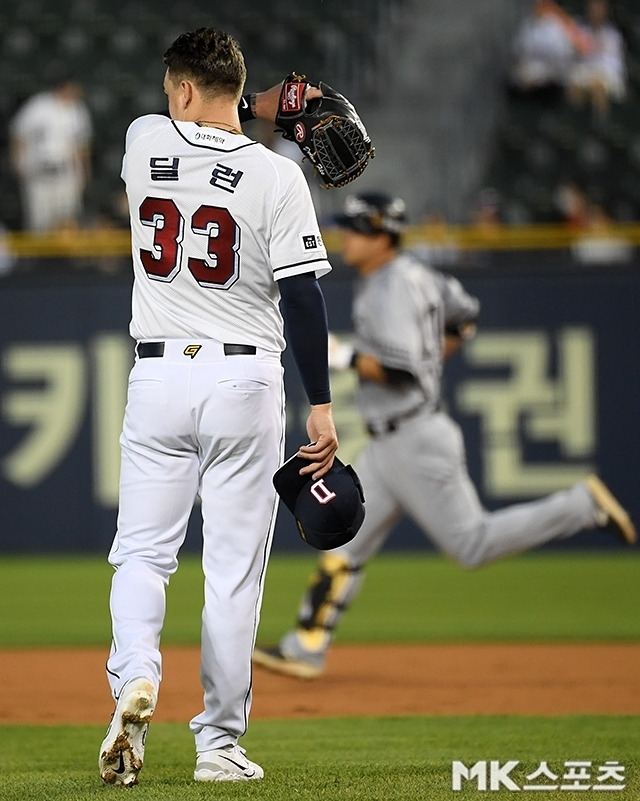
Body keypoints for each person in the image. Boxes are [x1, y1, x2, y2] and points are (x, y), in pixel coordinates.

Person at [252, 191, 637, 680]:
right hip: (393, 439)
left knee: (472, 544)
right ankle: (305, 646)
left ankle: (581, 505)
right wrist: (432, 359)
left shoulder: (390, 287)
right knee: (347, 540)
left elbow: (399, 370)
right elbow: (465, 317)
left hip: (414, 437)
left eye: (355, 229)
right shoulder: (422, 275)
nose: (345, 237)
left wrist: (345, 357)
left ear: (381, 235)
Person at [98, 28, 338, 786]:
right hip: (245, 382)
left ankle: (136, 674)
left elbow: (205, 109)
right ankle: (219, 744)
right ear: (235, 90)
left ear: (177, 91)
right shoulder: (277, 178)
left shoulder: (143, 140)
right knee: (233, 571)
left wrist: (256, 105)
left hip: (158, 376)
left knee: (142, 553)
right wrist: (321, 405)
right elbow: (303, 298)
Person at [9, 72, 93, 232]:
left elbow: (82, 146)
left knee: (68, 221)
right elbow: (19, 132)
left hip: (66, 175)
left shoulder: (78, 110)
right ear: (64, 86)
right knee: (39, 223)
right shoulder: (39, 105)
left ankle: (66, 257)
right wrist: (19, 162)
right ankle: (37, 257)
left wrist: (84, 173)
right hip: (39, 173)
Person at [567, 0, 627, 122]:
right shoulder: (580, 30)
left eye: (599, 9)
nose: (595, 12)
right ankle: (574, 124)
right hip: (584, 70)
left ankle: (601, 126)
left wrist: (598, 74)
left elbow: (614, 64)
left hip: (607, 75)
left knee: (598, 87)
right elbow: (573, 57)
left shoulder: (613, 35)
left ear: (606, 13)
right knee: (575, 86)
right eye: (593, 9)